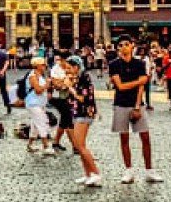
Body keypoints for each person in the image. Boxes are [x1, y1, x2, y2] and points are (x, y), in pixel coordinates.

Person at [109, 37, 162, 184]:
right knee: (124, 138)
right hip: (120, 103)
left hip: (137, 104)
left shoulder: (139, 63)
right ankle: (128, 170)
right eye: (121, 45)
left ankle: (149, 170)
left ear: (132, 46)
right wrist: (139, 81)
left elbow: (141, 88)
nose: (124, 47)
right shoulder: (114, 64)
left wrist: (138, 106)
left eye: (127, 44)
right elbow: (121, 86)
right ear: (118, 48)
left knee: (145, 137)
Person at [65, 56, 102, 186]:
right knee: (80, 146)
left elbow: (82, 98)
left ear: (76, 67)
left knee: (80, 146)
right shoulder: (77, 77)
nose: (67, 71)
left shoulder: (84, 77)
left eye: (69, 68)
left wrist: (70, 88)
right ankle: (88, 174)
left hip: (84, 112)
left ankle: (96, 173)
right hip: (77, 112)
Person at [24, 61, 54, 155]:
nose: (45, 66)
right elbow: (38, 90)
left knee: (35, 125)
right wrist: (47, 85)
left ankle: (30, 145)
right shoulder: (32, 76)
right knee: (42, 123)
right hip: (34, 104)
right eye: (43, 64)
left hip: (38, 104)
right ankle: (45, 146)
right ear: (37, 65)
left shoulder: (39, 75)